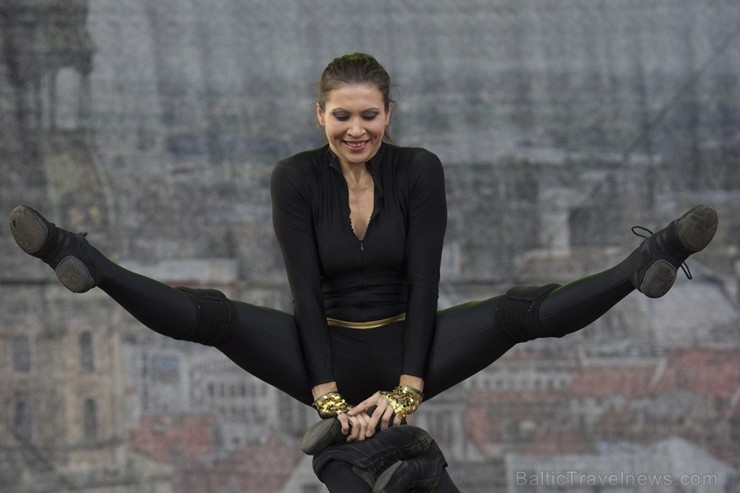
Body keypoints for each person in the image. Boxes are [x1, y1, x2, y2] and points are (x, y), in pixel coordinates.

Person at [8, 52, 718, 491]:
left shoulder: (419, 171)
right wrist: (326, 398)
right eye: (342, 115)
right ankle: (83, 259)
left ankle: (646, 261)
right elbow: (304, 291)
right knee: (216, 317)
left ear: (389, 113)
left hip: (412, 346)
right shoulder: (296, 179)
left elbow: (424, 278)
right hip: (327, 355)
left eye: (369, 115)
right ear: (320, 115)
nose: (357, 130)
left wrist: (406, 393)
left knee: (517, 313)